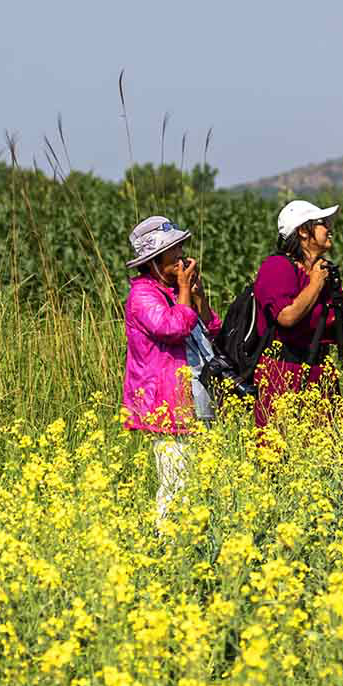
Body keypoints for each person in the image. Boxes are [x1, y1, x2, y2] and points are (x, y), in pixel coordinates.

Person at [121, 216, 221, 524]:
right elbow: (173, 327)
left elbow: (213, 327)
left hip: (196, 397)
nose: (181, 258)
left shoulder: (175, 291)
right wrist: (183, 291)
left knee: (200, 483)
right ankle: (167, 545)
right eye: (173, 252)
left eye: (180, 249)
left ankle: (195, 542)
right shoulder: (142, 296)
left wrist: (195, 293)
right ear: (153, 261)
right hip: (166, 404)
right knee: (177, 484)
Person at [251, 199, 340, 435]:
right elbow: (286, 317)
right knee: (279, 453)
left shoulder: (322, 271)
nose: (329, 228)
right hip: (283, 371)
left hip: (319, 372)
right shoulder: (277, 267)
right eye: (322, 223)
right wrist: (315, 284)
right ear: (302, 231)